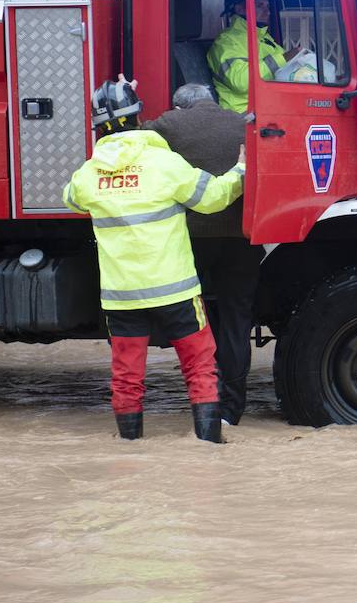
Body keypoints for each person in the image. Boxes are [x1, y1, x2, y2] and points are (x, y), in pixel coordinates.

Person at [62, 76, 245, 442]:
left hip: (122, 296)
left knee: (127, 375)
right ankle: (209, 445)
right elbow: (214, 198)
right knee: (199, 367)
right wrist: (240, 169)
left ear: (98, 128)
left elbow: (71, 197)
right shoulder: (163, 164)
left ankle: (131, 447)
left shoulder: (89, 174)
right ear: (137, 118)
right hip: (175, 292)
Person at [147, 83, 264, 426]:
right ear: (211, 101)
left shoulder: (168, 124)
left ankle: (204, 401)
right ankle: (233, 408)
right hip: (242, 241)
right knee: (236, 320)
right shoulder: (242, 123)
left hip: (191, 243)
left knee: (195, 322)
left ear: (180, 107)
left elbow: (128, 142)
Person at [206, 0, 290, 113]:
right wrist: (284, 58)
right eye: (260, 5)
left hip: (266, 108)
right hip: (243, 115)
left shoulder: (262, 37)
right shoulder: (226, 43)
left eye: (268, 7)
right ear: (239, 8)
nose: (267, 12)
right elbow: (242, 82)